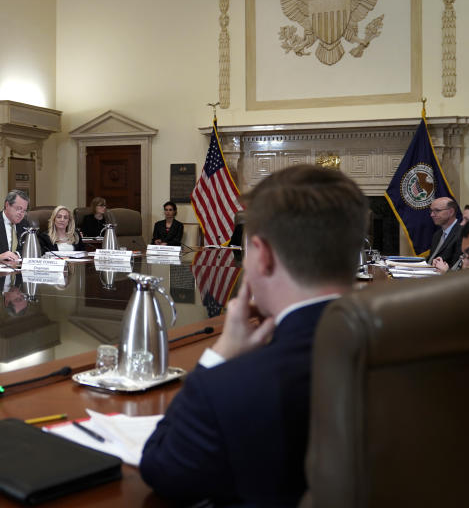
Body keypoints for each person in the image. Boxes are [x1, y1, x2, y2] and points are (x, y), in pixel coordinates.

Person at [140, 165, 368, 507]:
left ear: (261, 255)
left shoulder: (229, 386)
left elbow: (162, 468)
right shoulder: (417, 346)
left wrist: (219, 355)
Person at [428, 197, 462, 272]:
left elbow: (456, 269)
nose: (432, 214)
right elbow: (430, 259)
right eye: (431, 211)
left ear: (451, 212)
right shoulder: (437, 234)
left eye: (437, 210)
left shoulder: (461, 234)